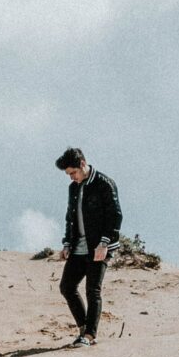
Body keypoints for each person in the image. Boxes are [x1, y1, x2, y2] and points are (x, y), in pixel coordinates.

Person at [54, 147, 122, 346]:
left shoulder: (104, 184)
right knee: (67, 286)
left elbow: (115, 216)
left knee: (92, 290)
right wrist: (67, 243)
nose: (71, 178)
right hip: (78, 246)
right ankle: (84, 328)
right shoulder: (73, 188)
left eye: (73, 173)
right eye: (68, 174)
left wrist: (104, 243)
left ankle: (90, 335)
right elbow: (71, 217)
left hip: (100, 247)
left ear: (83, 164)